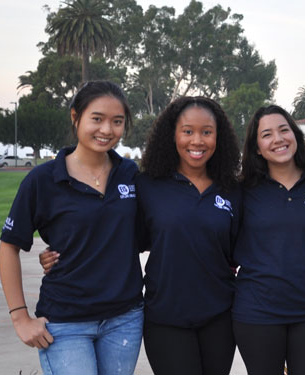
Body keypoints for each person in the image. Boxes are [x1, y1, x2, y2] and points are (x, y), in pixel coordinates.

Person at [42, 96, 242, 374]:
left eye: (206, 132)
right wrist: (62, 254)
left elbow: (248, 246)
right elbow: (116, 235)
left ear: (218, 137)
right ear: (172, 135)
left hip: (220, 317)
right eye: (187, 131)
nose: (197, 141)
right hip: (166, 318)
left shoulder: (232, 190)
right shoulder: (147, 185)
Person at [0, 81, 145, 375]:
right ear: (75, 117)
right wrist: (20, 318)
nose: (107, 130)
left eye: (117, 122)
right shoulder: (43, 180)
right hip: (65, 321)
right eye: (97, 119)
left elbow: (143, 234)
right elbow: (8, 247)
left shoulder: (130, 174)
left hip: (125, 318)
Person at [232, 105, 305, 375]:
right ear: (256, 147)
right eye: (266, 134)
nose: (278, 139)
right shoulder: (242, 191)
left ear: (295, 136)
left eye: (284, 130)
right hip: (257, 311)